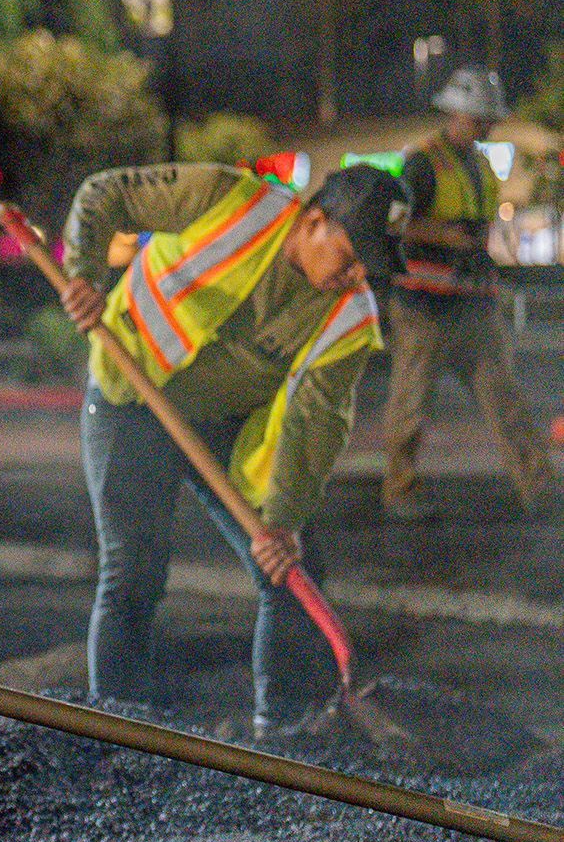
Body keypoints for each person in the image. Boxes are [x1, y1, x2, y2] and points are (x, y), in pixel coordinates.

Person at [60, 160, 409, 737]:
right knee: (132, 576)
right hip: (131, 398)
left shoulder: (351, 318)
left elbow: (314, 426)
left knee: (292, 574)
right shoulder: (229, 199)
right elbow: (103, 193)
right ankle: (117, 743)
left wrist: (284, 523)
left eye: (367, 268)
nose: (354, 278)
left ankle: (283, 740)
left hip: (223, 427)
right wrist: (85, 275)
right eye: (348, 257)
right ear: (314, 220)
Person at [381, 66, 556, 521]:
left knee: (506, 400)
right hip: (423, 305)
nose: (486, 127)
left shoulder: (479, 165)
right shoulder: (422, 161)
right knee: (411, 403)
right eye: (479, 118)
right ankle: (399, 491)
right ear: (455, 113)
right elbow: (396, 223)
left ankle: (540, 489)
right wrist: (446, 235)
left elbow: (481, 230)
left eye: (488, 119)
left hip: (472, 301)